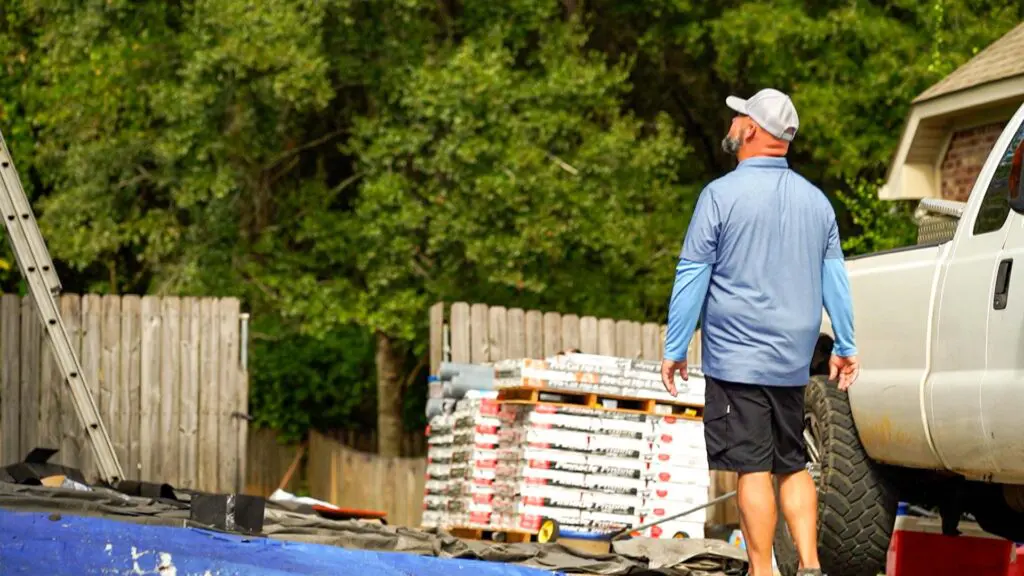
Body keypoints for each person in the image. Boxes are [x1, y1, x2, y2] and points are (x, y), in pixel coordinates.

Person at [659, 88, 859, 576]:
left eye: (738, 117)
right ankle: (810, 566)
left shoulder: (720, 196)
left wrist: (675, 346)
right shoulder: (817, 203)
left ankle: (762, 571)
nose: (732, 124)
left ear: (751, 129)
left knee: (753, 467)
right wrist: (848, 345)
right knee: (791, 463)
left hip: (737, 359)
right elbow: (835, 279)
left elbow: (692, 276)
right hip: (791, 362)